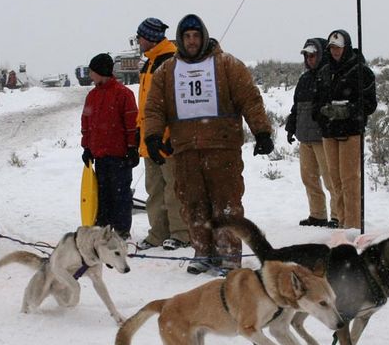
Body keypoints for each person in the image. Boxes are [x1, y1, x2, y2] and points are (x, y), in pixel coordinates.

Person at [144, 14, 274, 274]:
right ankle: (203, 251)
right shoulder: (167, 71)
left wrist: (261, 132)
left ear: (203, 36)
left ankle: (228, 256)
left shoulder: (227, 65)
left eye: (196, 36)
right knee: (193, 203)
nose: (192, 41)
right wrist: (153, 136)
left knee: (226, 204)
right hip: (185, 150)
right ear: (180, 39)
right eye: (187, 37)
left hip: (222, 148)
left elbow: (249, 98)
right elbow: (154, 108)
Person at [135, 18, 190, 251]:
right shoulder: (148, 63)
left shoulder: (171, 61)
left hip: (167, 140)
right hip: (149, 139)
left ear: (149, 37)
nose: (138, 41)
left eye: (140, 36)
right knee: (154, 189)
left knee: (173, 188)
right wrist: (140, 132)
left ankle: (180, 233)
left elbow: (176, 103)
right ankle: (158, 233)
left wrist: (167, 136)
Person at [314, 29, 377, 230]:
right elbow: (316, 103)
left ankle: (353, 225)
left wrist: (348, 110)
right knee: (335, 180)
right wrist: (325, 112)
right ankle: (341, 223)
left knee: (350, 180)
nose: (335, 51)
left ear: (346, 47)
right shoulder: (324, 72)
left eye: (338, 48)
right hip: (329, 133)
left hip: (351, 132)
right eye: (332, 48)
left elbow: (369, 104)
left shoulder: (360, 71)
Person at [81, 53, 139, 239]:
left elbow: (132, 124)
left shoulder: (124, 94)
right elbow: (86, 124)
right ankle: (103, 229)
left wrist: (132, 148)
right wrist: (86, 147)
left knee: (121, 195)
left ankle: (122, 231)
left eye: (92, 71)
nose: (90, 75)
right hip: (99, 155)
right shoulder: (92, 96)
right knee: (102, 194)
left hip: (120, 156)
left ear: (101, 72)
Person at [285, 38, 338, 228]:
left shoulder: (329, 76)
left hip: (323, 137)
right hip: (305, 137)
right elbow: (296, 106)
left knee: (331, 179)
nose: (310, 58)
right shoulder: (304, 78)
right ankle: (318, 215)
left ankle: (337, 216)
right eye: (307, 55)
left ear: (321, 54)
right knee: (309, 178)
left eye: (313, 55)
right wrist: (291, 125)